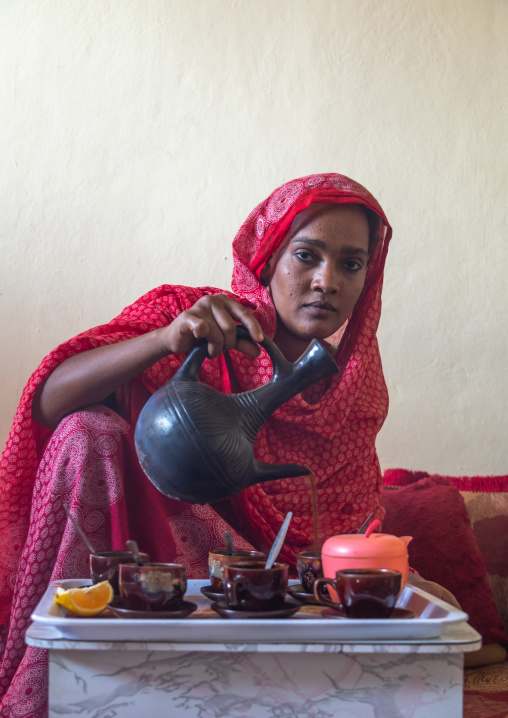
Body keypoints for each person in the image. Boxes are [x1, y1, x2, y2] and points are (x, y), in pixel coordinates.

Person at [0, 173, 392, 717]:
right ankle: (58, 685)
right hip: (133, 567)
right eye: (306, 255)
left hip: (253, 593)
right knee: (87, 430)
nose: (326, 280)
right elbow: (47, 403)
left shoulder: (354, 396)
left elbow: (336, 543)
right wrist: (165, 341)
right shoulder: (193, 319)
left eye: (351, 264)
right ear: (269, 258)